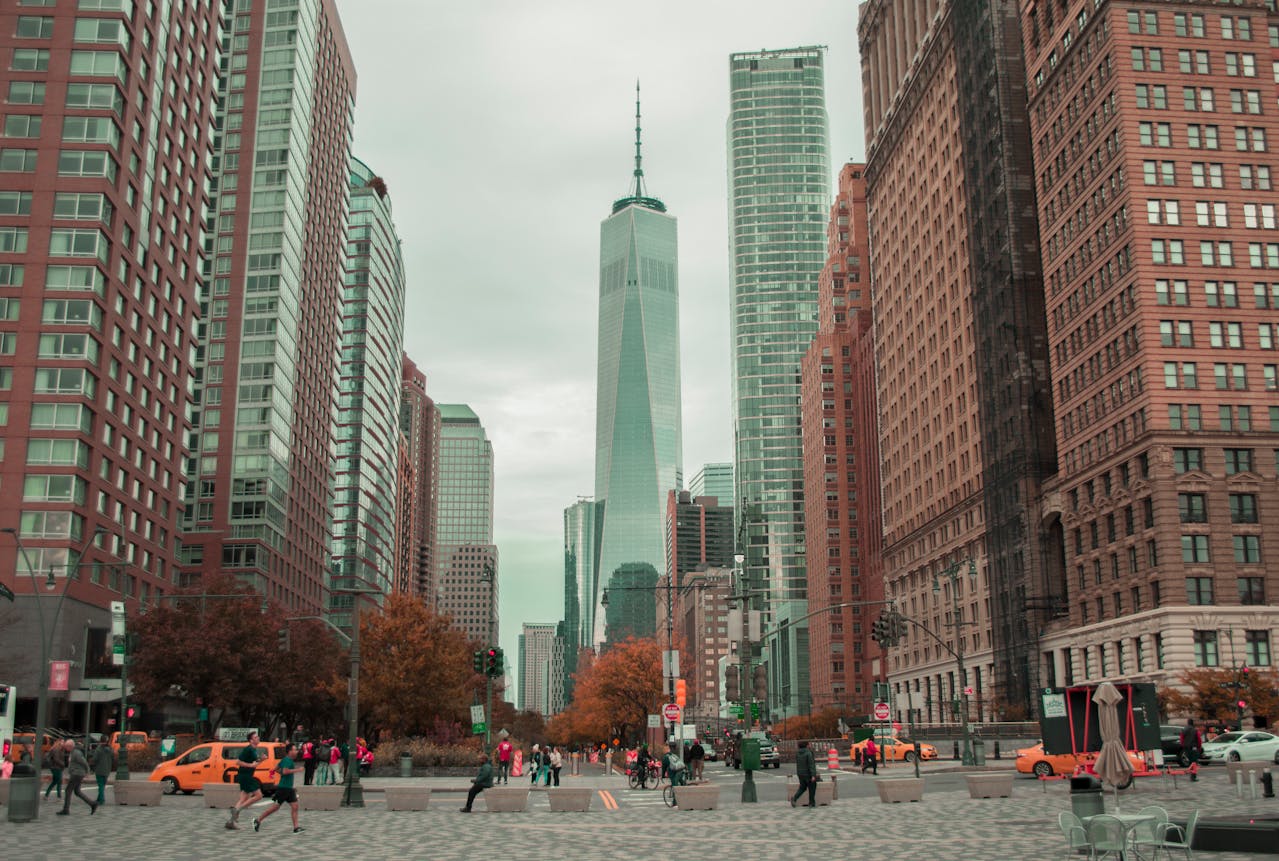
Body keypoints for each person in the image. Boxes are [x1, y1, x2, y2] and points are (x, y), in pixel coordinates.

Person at [252, 742, 304, 833]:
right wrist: (298, 770)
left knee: (295, 806)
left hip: (289, 788)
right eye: (295, 750)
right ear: (290, 751)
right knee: (275, 808)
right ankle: (258, 820)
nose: (296, 751)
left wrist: (282, 773)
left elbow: (275, 769)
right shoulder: (287, 760)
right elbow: (285, 771)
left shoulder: (285, 760)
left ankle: (296, 827)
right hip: (284, 788)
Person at [226, 731, 264, 829]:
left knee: (243, 799)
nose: (258, 738)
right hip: (245, 776)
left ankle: (231, 822)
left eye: (258, 737)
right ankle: (237, 810)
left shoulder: (254, 750)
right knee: (259, 795)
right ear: (251, 740)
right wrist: (250, 765)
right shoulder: (248, 749)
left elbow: (254, 764)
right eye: (255, 737)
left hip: (246, 775)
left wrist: (262, 760)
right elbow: (238, 762)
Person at [56, 740, 97, 816]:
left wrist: (87, 771)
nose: (65, 748)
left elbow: (84, 762)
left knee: (68, 790)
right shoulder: (73, 752)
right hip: (77, 773)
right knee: (77, 791)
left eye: (66, 747)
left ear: (70, 746)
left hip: (77, 774)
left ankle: (66, 809)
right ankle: (92, 804)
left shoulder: (76, 753)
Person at [791, 740, 818, 807]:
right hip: (808, 774)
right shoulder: (808, 753)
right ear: (807, 745)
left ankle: (794, 798)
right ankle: (811, 802)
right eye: (809, 744)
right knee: (812, 788)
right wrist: (813, 775)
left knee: (802, 788)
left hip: (800, 773)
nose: (810, 746)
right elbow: (811, 765)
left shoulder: (798, 753)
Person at [91, 741, 114, 805]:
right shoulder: (110, 750)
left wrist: (92, 764)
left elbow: (95, 759)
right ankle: (99, 798)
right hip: (107, 770)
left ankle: (101, 799)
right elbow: (113, 757)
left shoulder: (98, 749)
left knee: (100, 785)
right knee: (103, 785)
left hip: (99, 769)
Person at [44, 737, 67, 801]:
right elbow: (56, 759)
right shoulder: (56, 749)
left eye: (63, 742)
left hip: (56, 767)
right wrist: (63, 764)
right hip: (56, 767)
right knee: (59, 782)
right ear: (59, 742)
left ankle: (46, 795)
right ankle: (59, 797)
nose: (63, 743)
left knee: (55, 782)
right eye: (62, 742)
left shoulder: (60, 749)